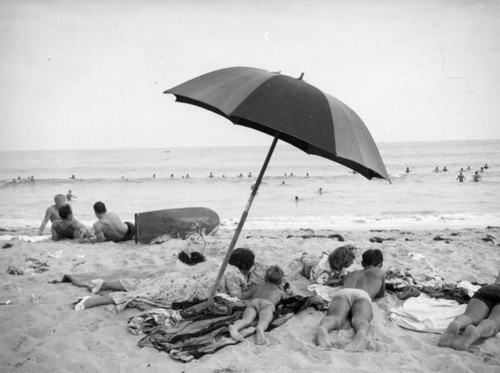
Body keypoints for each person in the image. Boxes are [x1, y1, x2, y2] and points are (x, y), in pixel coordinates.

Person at [74, 248, 262, 311]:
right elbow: (237, 296)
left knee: (140, 285)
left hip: (179, 277)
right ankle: (90, 302)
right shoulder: (234, 273)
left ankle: (103, 284)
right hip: (186, 289)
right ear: (245, 266)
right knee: (139, 296)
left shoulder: (222, 265)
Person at [316, 249, 385, 351]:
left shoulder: (353, 273)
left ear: (362, 263)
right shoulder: (380, 272)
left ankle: (323, 328)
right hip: (362, 295)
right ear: (380, 263)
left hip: (343, 293)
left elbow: (337, 282)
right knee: (360, 320)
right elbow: (381, 294)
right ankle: (358, 337)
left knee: (335, 318)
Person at [438, 270, 500, 350]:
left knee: (470, 316)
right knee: (494, 321)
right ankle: (477, 331)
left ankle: (458, 323)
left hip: (490, 289)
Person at [229, 265, 286, 345]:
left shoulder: (259, 286)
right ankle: (260, 328)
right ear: (280, 282)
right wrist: (282, 287)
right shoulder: (279, 292)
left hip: (254, 302)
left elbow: (243, 296)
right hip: (267, 305)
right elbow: (286, 298)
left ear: (265, 278)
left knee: (246, 320)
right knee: (264, 321)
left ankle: (235, 327)